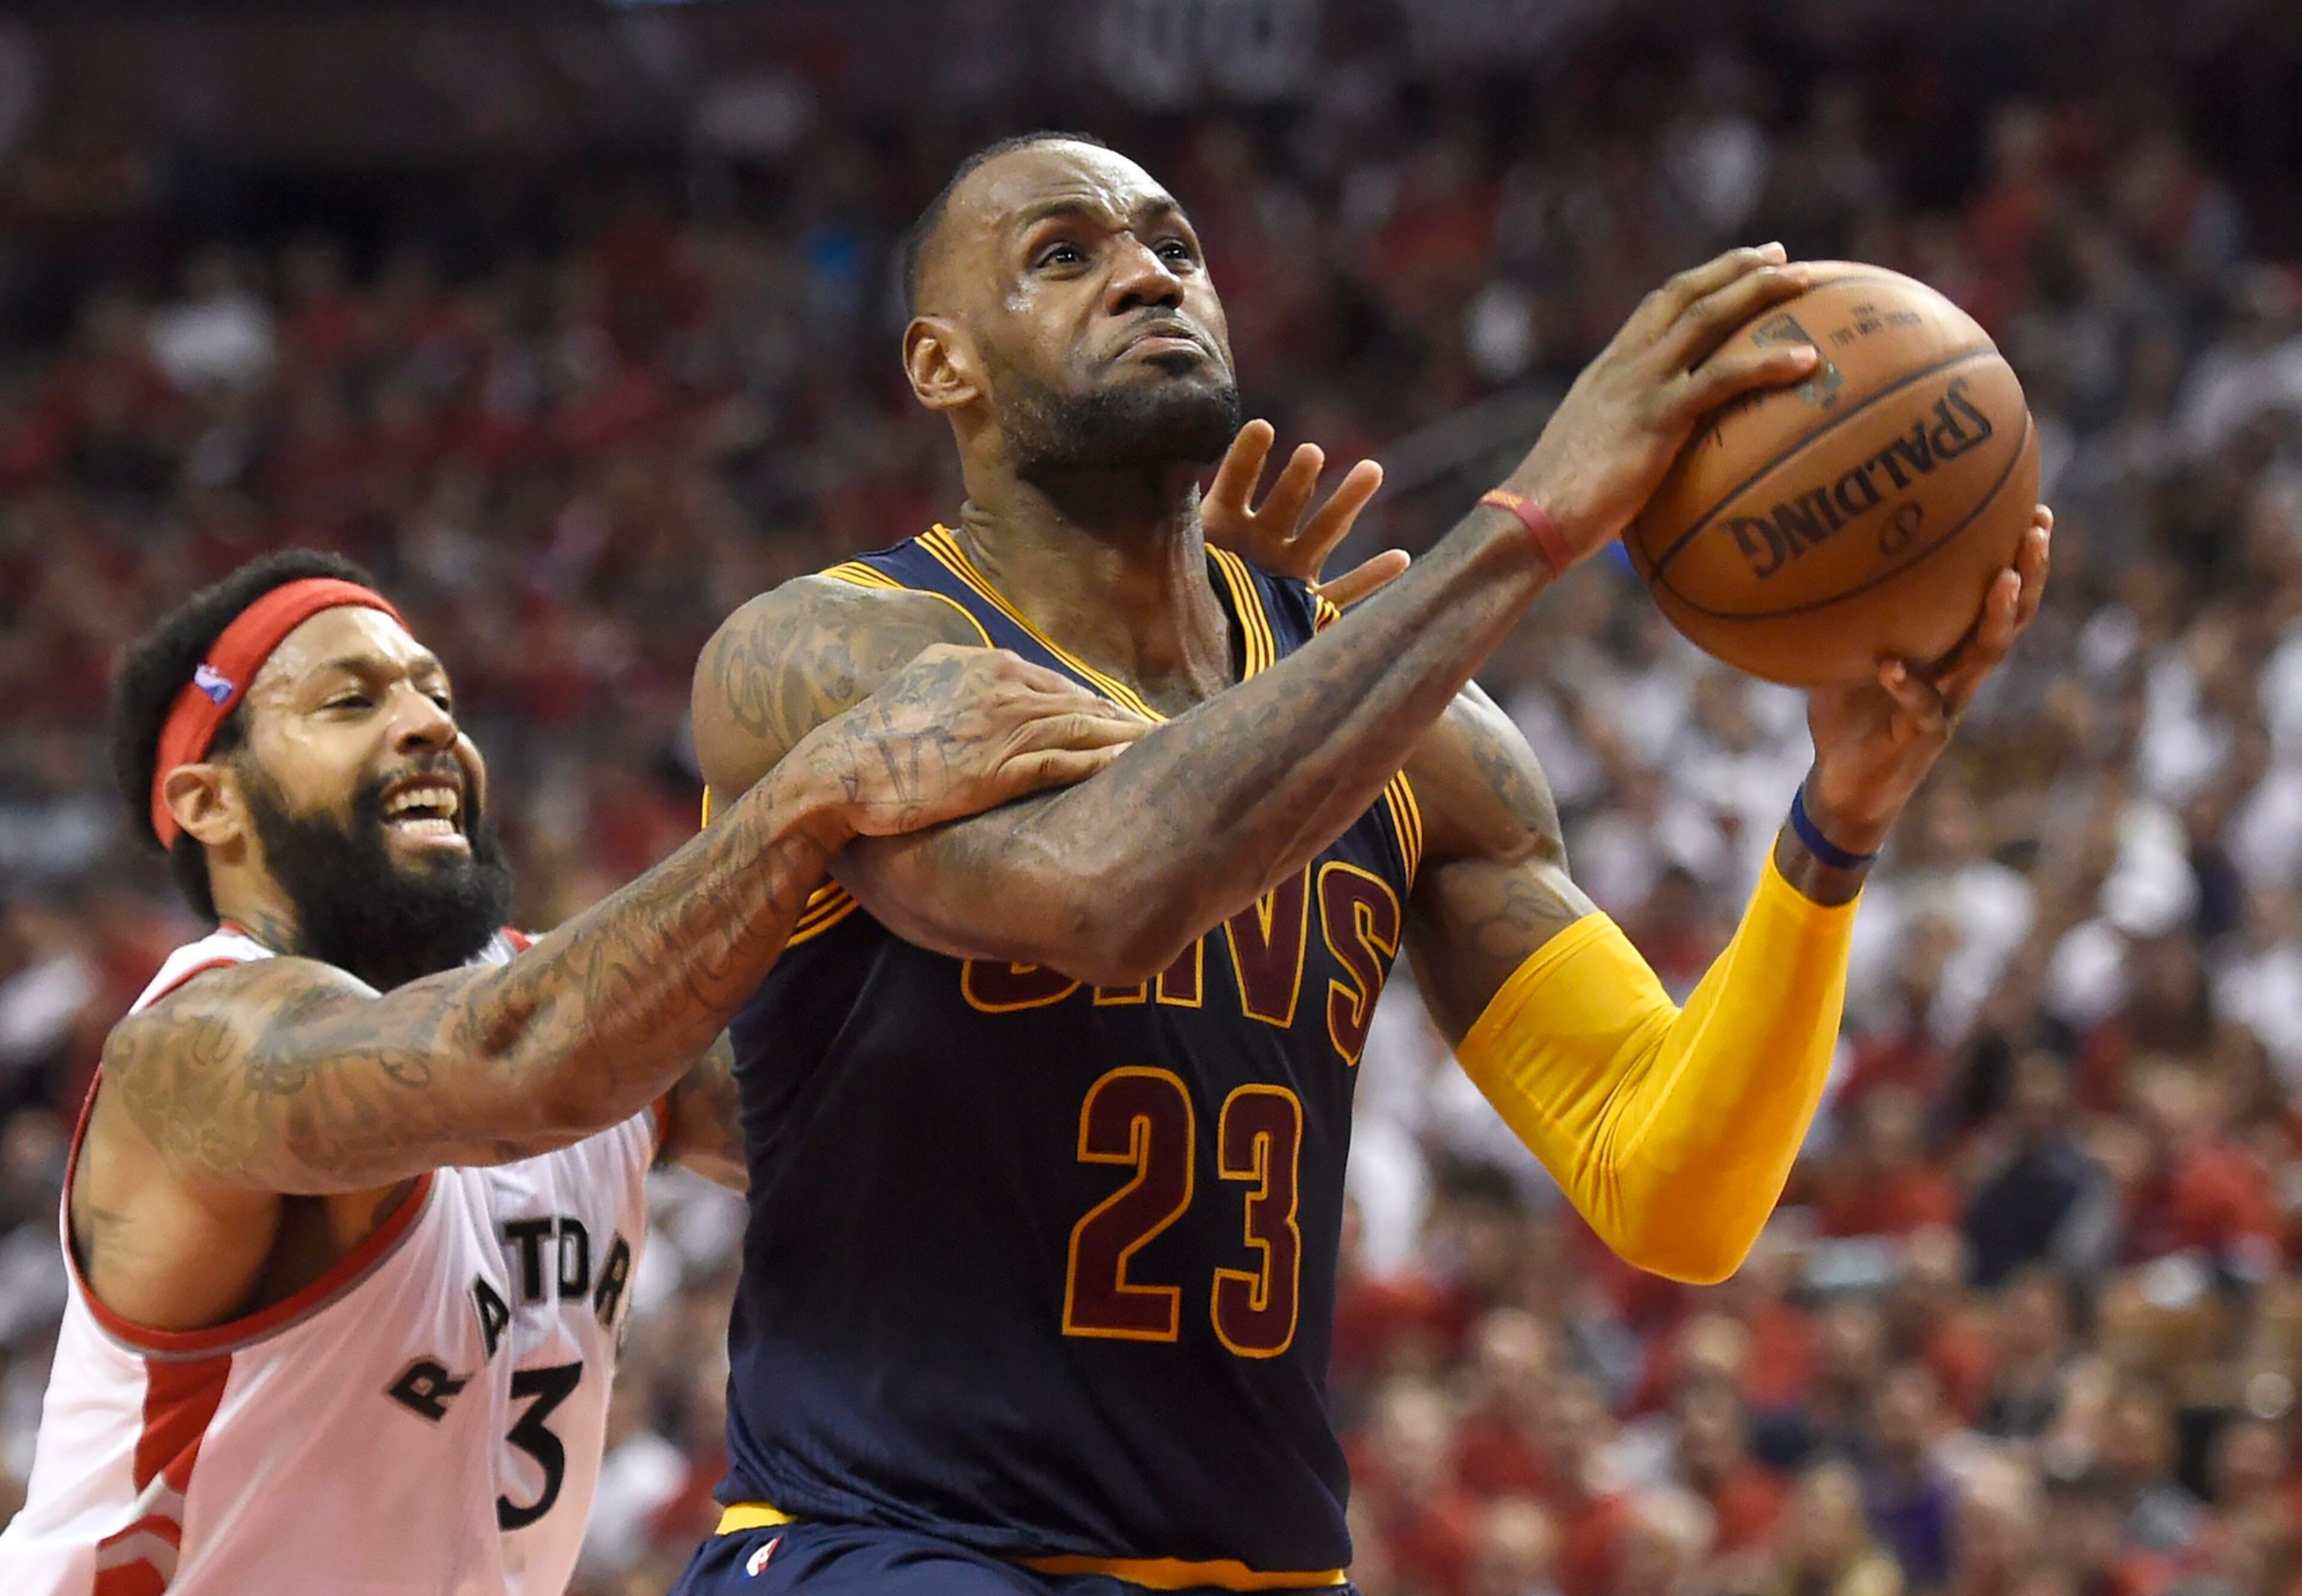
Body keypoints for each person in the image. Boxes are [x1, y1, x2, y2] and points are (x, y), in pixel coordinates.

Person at [683, 131, 2054, 1592]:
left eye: (1177, 247)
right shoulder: (824, 657)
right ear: (941, 363)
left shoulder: (1423, 741)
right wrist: (1528, 524)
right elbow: (1106, 892)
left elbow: (1673, 1187)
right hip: (890, 1543)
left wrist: (1835, 827)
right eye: (1065, 255)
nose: (1147, 276)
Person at [0, 547, 1148, 1595]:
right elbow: (507, 1061)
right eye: (353, 701)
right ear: (210, 802)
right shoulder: (192, 1054)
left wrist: (1165, 675)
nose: (428, 725)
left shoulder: (596, 1025)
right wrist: (812, 794)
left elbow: (877, 1135)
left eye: (438, 696)